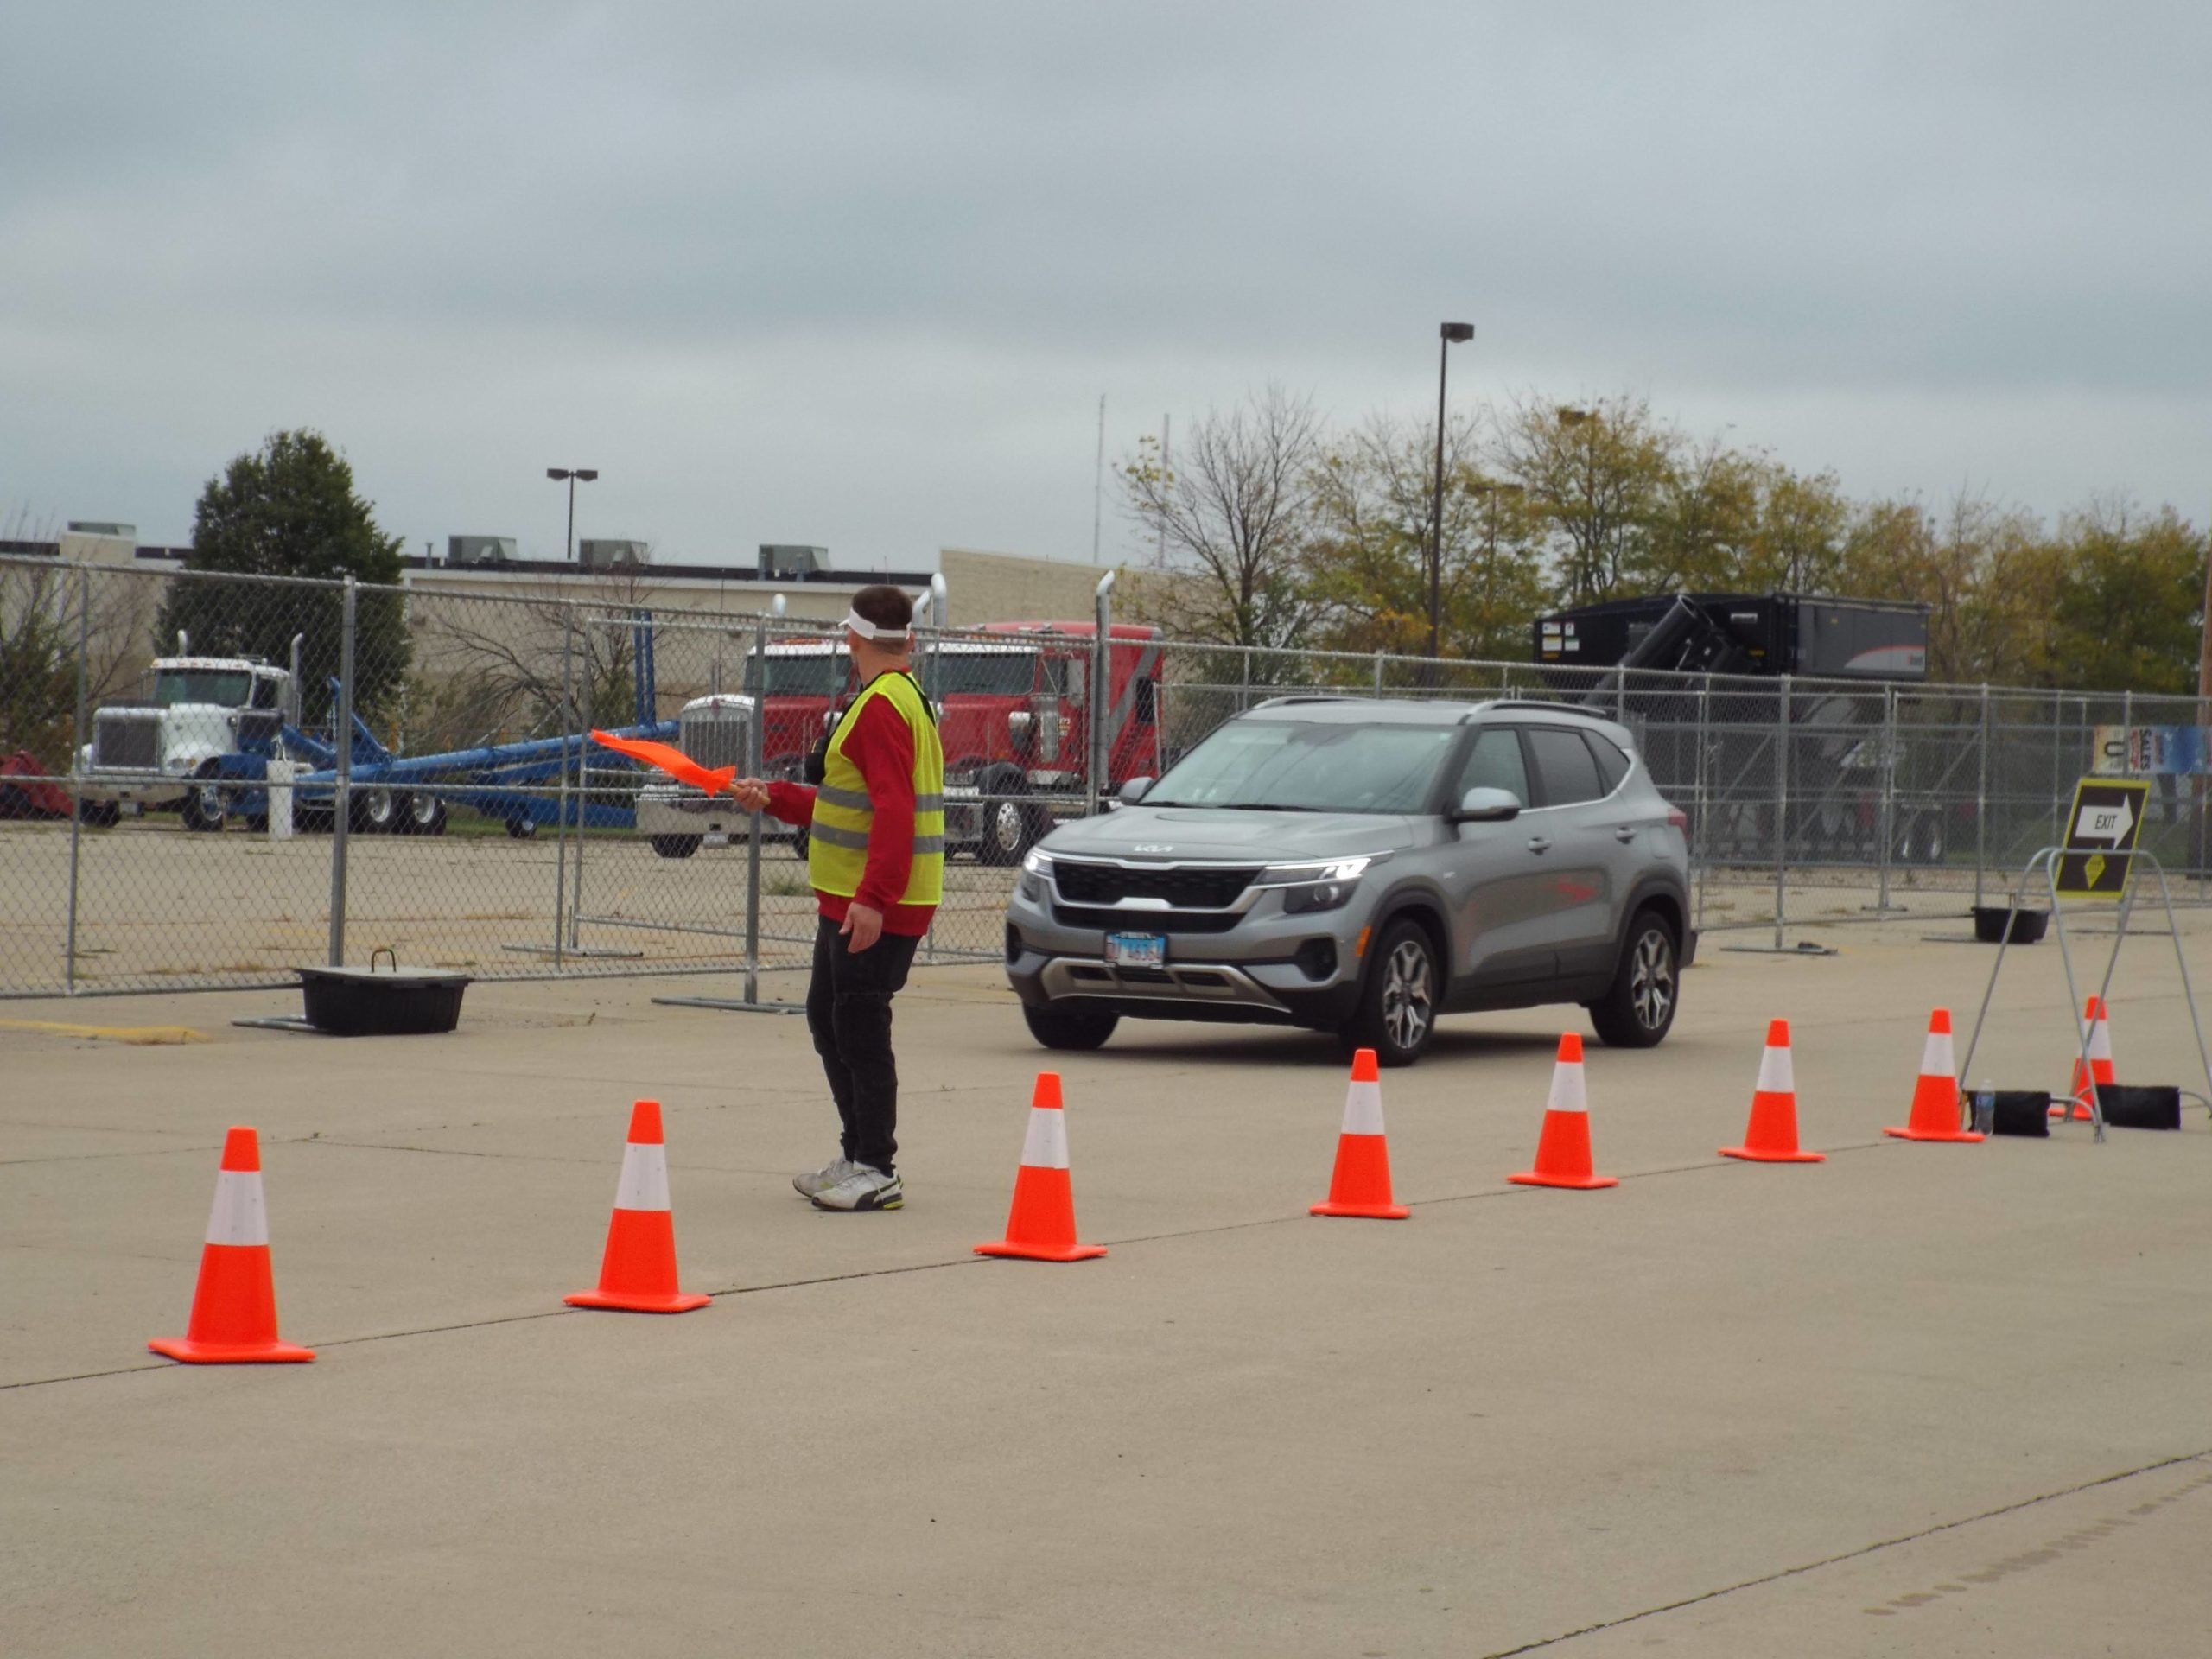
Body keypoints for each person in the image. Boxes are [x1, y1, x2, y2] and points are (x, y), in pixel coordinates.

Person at [731, 585, 944, 1212]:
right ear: (908, 639)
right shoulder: (895, 698)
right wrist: (776, 796)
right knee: (830, 1018)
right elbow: (846, 799)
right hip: (852, 896)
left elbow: (895, 807)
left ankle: (876, 1167)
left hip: (874, 900)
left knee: (858, 1026)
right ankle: (857, 1155)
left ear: (851, 639)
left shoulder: (883, 706)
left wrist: (874, 898)